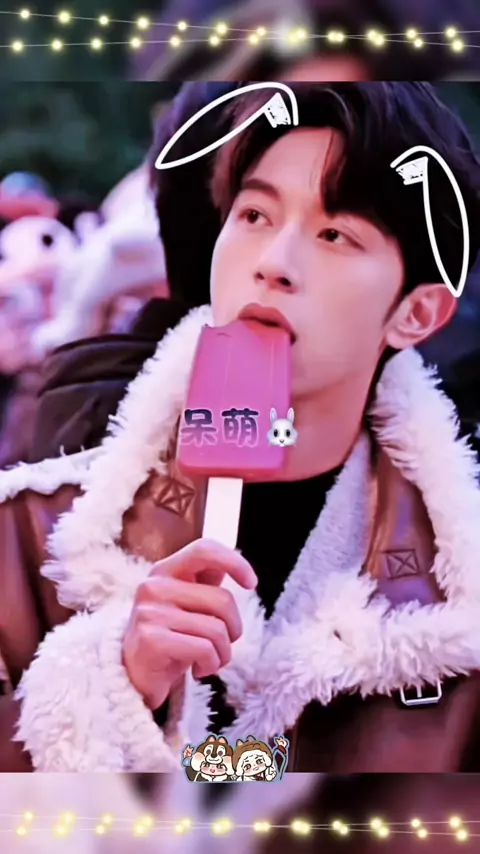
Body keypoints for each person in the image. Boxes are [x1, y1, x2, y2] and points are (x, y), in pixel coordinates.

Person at [1, 81, 480, 775]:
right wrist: (114, 685)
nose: (274, 263)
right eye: (254, 214)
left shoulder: (458, 599)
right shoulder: (25, 537)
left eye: (335, 234)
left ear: (418, 312)